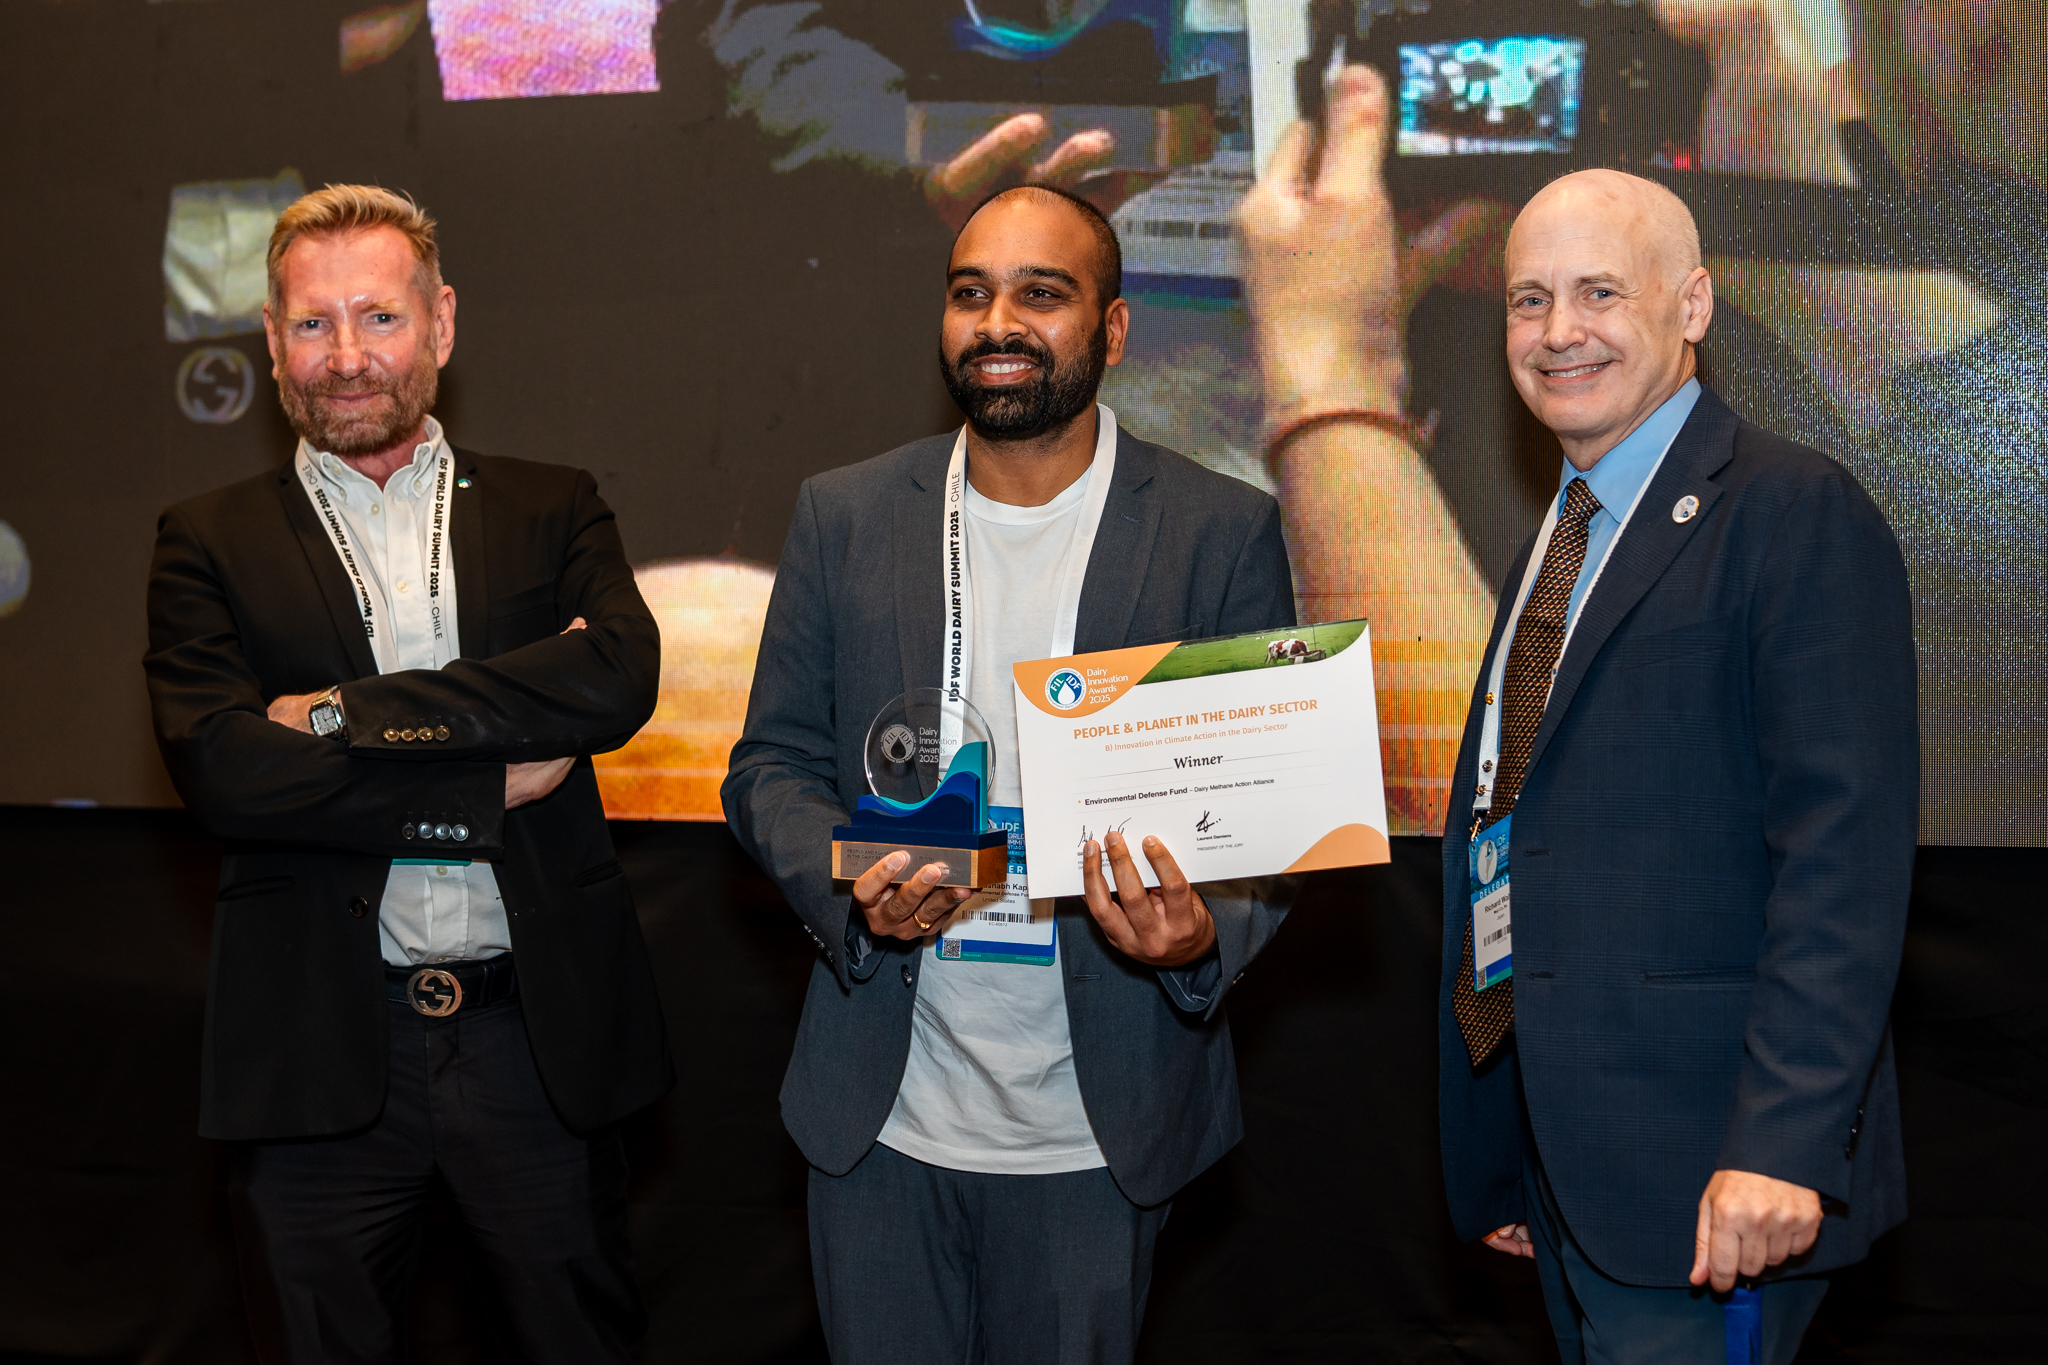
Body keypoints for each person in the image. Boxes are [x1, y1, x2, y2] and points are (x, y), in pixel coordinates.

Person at [722, 184, 1296, 1363]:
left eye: (1040, 293)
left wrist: (1199, 935)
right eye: (969, 292)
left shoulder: (1216, 530)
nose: (996, 323)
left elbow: (1266, 822)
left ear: (1112, 328)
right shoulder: (846, 515)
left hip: (1096, 1127)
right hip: (879, 1114)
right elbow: (769, 765)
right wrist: (848, 885)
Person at [144, 185, 671, 1361]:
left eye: (378, 317)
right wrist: (476, 789)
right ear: (271, 341)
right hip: (318, 1052)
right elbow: (227, 773)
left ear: (440, 322)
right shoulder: (207, 538)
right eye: (313, 323)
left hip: (535, 1041)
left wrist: (341, 713)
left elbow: (614, 680)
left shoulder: (551, 504)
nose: (346, 357)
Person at [1432, 168, 1917, 1363]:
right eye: (1528, 299)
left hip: (1712, 1176)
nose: (1557, 332)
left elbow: (1841, 862)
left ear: (1690, 305)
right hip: (1567, 1167)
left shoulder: (1791, 511)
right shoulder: (1558, 536)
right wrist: (1507, 1145)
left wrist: (1782, 1144)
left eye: (1598, 292)